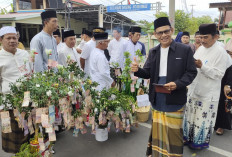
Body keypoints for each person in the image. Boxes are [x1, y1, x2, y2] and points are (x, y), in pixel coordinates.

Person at [131, 17, 197, 157]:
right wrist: (137, 70)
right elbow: (147, 73)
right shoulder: (154, 51)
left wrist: (178, 84)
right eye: (159, 33)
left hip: (175, 96)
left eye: (166, 31)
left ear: (171, 31)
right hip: (157, 96)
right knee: (159, 132)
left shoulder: (184, 50)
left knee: (174, 133)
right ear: (155, 34)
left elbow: (191, 72)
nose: (163, 35)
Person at [183, 23, 230, 150]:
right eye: (201, 37)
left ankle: (199, 143)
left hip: (208, 93)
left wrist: (202, 66)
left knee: (201, 120)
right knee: (190, 117)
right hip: (194, 89)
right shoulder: (200, 49)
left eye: (205, 37)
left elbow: (219, 74)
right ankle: (188, 139)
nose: (202, 40)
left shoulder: (221, 52)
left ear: (215, 37)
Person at [0, 26, 30, 153]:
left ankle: (28, 153)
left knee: (28, 131)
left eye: (14, 37)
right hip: (9, 102)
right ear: (1, 40)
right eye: (8, 38)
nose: (12, 40)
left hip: (27, 100)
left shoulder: (24, 54)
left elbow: (30, 73)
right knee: (13, 135)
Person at [214, 42, 232, 135]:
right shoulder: (220, 58)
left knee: (224, 105)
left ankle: (221, 126)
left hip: (226, 84)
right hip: (217, 84)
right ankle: (215, 124)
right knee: (216, 104)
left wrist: (228, 85)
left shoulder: (229, 61)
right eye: (228, 52)